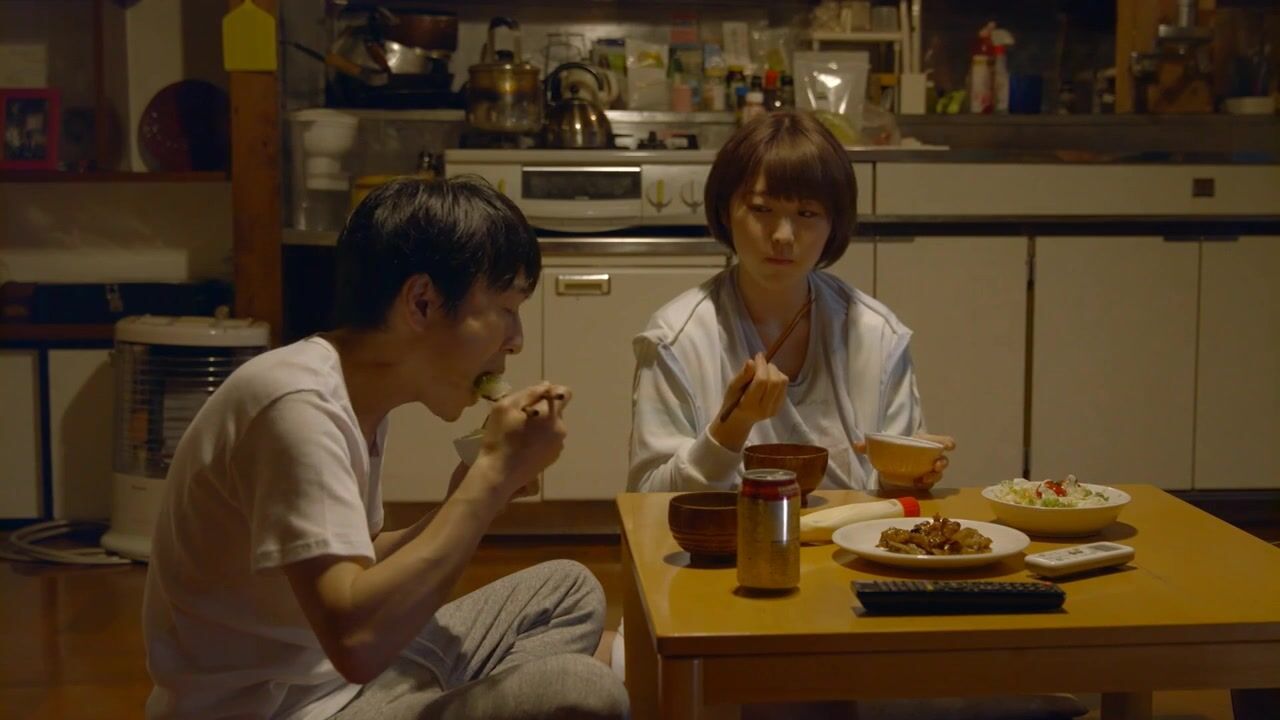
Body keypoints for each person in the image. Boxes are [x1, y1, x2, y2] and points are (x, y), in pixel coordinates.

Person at [142, 177, 629, 720]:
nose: (515, 340)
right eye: (506, 308)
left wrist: (461, 501)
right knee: (583, 690)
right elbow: (356, 643)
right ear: (422, 302)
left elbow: (358, 565)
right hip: (288, 708)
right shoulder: (295, 408)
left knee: (569, 591)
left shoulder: (355, 396)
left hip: (345, 685)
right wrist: (489, 481)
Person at [628, 110, 953, 496]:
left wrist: (904, 474)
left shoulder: (877, 335)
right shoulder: (676, 339)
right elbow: (647, 500)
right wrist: (731, 428)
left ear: (834, 224)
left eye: (807, 213)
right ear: (725, 212)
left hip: (851, 534)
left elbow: (892, 500)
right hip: (728, 535)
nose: (783, 235)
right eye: (761, 209)